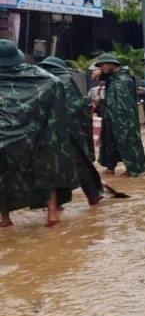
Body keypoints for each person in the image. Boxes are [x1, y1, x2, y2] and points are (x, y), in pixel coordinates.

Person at [0, 40, 80, 227]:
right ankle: (52, 215)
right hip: (35, 137)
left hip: (3, 141)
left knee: (2, 174)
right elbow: (56, 89)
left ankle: (5, 218)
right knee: (47, 169)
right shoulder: (41, 77)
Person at [39, 56, 104, 206]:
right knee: (81, 163)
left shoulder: (41, 81)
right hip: (70, 131)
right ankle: (93, 194)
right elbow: (77, 108)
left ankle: (56, 204)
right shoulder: (66, 80)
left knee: (51, 166)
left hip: (48, 133)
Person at [94, 53, 145, 177]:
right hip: (110, 118)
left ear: (111, 64)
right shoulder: (112, 78)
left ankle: (132, 169)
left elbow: (123, 105)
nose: (101, 68)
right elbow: (112, 99)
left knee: (127, 142)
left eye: (102, 65)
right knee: (109, 143)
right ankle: (110, 167)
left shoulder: (124, 80)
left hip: (123, 120)